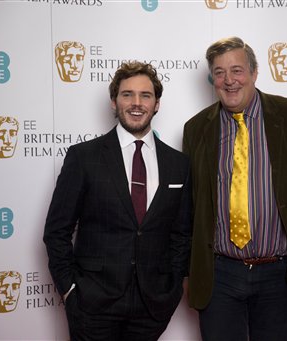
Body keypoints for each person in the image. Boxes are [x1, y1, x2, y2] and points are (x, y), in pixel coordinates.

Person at [183, 37, 287, 341]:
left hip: (278, 275)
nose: (229, 80)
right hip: (218, 275)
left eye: (237, 70)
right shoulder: (197, 128)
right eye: (220, 72)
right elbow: (190, 203)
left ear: (253, 73)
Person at [43, 61, 192, 341]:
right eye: (127, 94)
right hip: (92, 304)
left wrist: (171, 289)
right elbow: (57, 231)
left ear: (157, 104)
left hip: (152, 306)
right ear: (114, 102)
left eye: (145, 95)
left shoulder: (178, 164)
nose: (136, 103)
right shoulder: (83, 157)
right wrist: (70, 290)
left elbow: (181, 234)